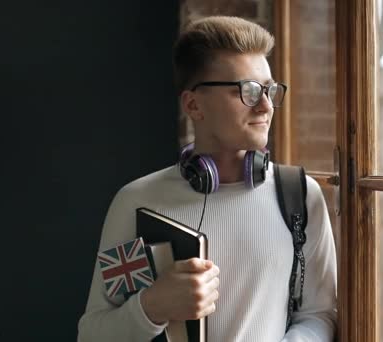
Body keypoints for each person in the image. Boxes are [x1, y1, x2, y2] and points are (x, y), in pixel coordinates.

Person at [78, 16, 337, 342]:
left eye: (269, 90)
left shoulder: (300, 196)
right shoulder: (136, 203)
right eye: (248, 91)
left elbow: (319, 315)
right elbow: (92, 334)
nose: (266, 107)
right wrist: (152, 306)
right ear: (193, 104)